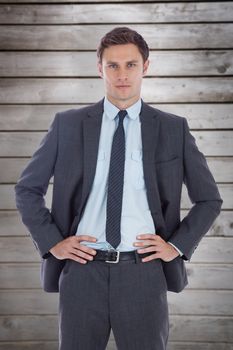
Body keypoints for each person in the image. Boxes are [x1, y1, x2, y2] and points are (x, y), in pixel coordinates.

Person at [15, 26, 223, 350]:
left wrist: (176, 246)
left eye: (131, 65)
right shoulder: (67, 125)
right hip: (82, 272)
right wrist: (53, 242)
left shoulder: (173, 129)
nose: (121, 75)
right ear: (100, 68)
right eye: (112, 65)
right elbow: (27, 189)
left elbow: (209, 199)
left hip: (144, 274)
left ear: (146, 67)